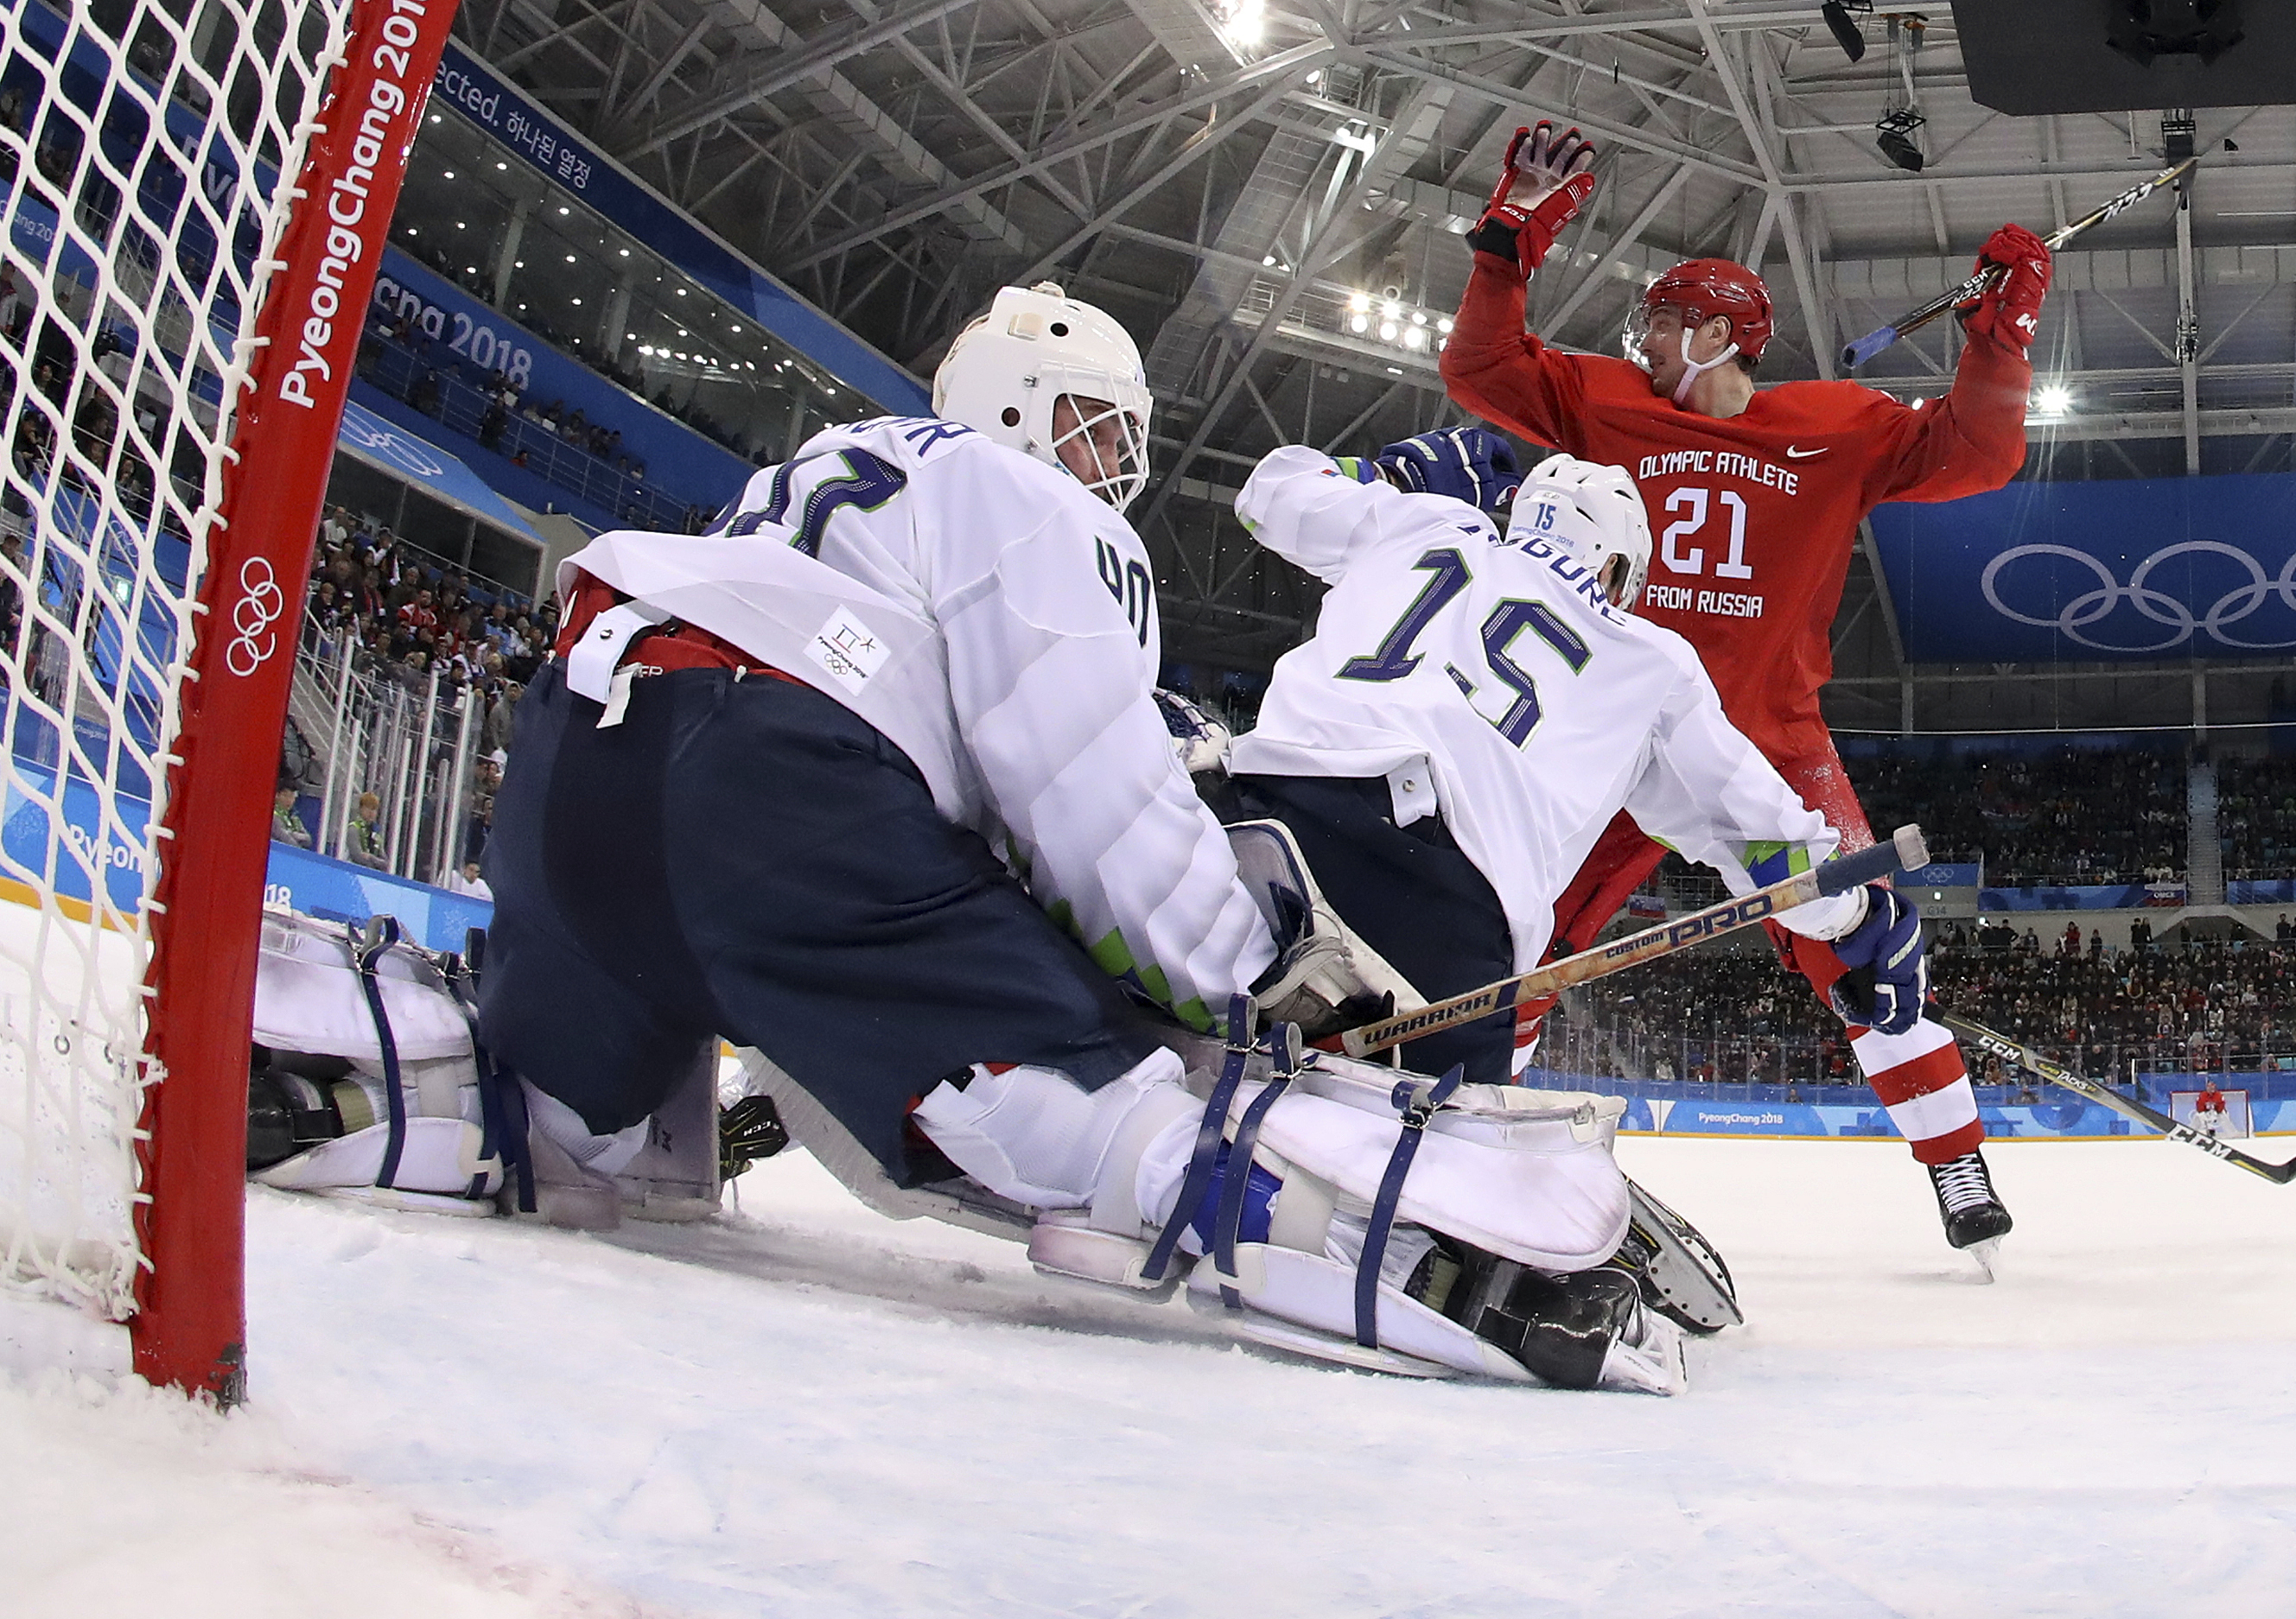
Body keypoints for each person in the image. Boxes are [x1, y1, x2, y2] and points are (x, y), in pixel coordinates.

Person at [475, 282, 1683, 1394]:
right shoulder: (1021, 495)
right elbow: (1084, 801)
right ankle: (1413, 1248)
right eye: (1095, 426)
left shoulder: (812, 467)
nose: (1112, 465)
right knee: (1081, 1105)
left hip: (569, 769)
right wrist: (1248, 977)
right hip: (774, 794)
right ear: (1016, 399)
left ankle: (442, 1074)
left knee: (559, 1128)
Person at [1438, 120, 2045, 1265]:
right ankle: (1468, 1145)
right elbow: (1478, 367)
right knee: (1520, 936)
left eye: (1664, 320)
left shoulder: (1841, 424)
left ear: (1719, 331)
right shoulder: (1604, 397)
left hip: (1764, 738)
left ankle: (1957, 1168)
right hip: (1611, 731)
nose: (1647, 338)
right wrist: (1506, 243)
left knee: (1865, 952)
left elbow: (1979, 453)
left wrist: (2000, 339)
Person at [1225, 437, 1925, 1091]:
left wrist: (1398, 472)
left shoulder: (1425, 524)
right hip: (1437, 903)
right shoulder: (1649, 656)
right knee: (1412, 1188)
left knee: (1167, 1072)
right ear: (1615, 566)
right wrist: (1859, 918)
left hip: (1259, 822)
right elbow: (1764, 844)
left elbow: (1270, 494)